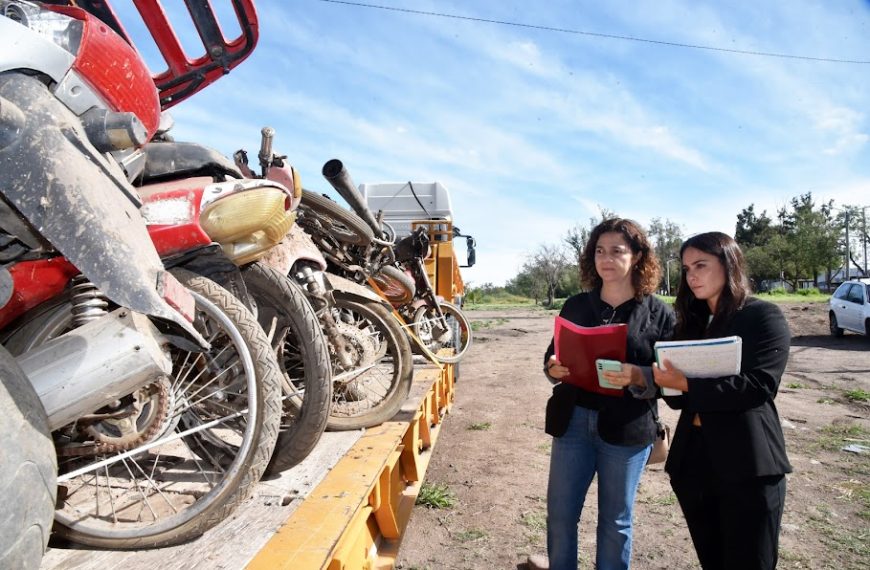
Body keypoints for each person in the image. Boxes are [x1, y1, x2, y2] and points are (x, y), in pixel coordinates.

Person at [533, 218, 675, 570]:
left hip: (628, 427)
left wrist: (638, 374)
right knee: (561, 515)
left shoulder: (660, 313)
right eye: (599, 251)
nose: (606, 259)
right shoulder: (576, 305)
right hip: (574, 423)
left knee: (615, 521)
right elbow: (555, 355)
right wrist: (553, 367)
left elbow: (673, 380)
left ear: (638, 256)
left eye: (617, 251)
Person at [652, 232, 792, 570]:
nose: (692, 276)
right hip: (694, 462)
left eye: (701, 265)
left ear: (729, 265)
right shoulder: (691, 324)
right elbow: (678, 401)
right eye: (686, 269)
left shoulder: (763, 316)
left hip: (748, 463)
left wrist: (686, 382)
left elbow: (759, 386)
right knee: (712, 560)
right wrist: (666, 384)